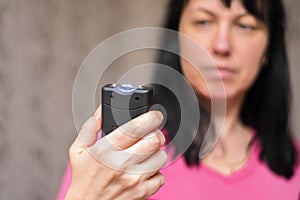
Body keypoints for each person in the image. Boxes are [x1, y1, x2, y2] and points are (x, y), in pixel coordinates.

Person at [57, 0, 300, 199]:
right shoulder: (119, 148)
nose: (222, 45)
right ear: (176, 38)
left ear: (269, 47)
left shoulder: (294, 161)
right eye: (204, 21)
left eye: (245, 25)